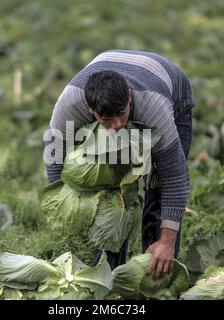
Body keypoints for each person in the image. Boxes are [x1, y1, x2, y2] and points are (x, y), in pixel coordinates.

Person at [44, 49, 195, 279]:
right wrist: (74, 207)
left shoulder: (153, 106)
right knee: (108, 184)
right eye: (106, 120)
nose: (116, 125)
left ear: (129, 99)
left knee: (157, 184)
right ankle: (108, 276)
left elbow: (174, 175)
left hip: (172, 92)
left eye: (121, 115)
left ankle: (157, 274)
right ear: (90, 109)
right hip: (118, 76)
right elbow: (55, 160)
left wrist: (167, 241)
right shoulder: (70, 103)